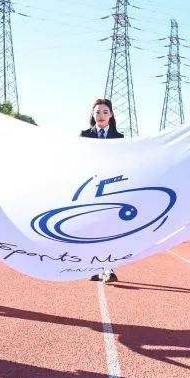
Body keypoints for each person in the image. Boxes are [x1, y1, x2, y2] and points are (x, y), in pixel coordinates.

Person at [80, 98, 123, 283]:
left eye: (105, 112)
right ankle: (94, 268)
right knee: (92, 230)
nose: (101, 115)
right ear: (92, 114)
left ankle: (109, 268)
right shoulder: (84, 135)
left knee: (109, 229)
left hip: (111, 190)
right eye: (97, 112)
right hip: (89, 190)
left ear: (111, 115)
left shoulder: (120, 138)